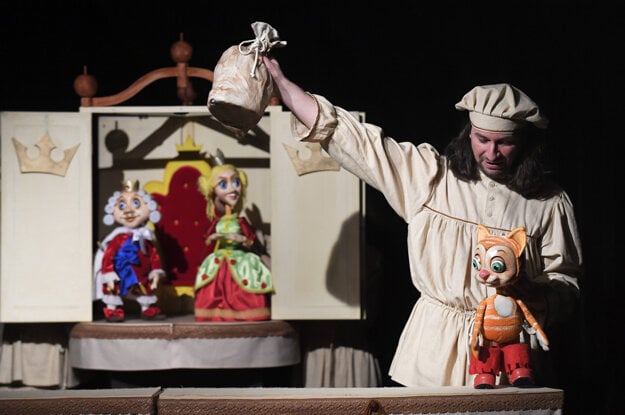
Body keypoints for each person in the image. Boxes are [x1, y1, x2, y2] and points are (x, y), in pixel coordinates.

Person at [262, 55, 582, 387]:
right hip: (434, 353)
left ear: (524, 143)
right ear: (468, 134)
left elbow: (565, 282)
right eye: (481, 139)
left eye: (505, 142)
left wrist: (530, 297)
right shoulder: (431, 177)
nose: (491, 152)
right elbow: (360, 142)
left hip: (509, 355)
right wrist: (285, 88)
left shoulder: (547, 202)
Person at [194, 151, 274, 321]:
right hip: (220, 260)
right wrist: (214, 238)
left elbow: (251, 241)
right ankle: (216, 313)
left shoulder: (242, 222)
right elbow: (207, 241)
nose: (232, 188)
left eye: (236, 182)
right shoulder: (216, 222)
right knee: (214, 282)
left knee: (244, 281)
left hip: (241, 259)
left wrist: (240, 239)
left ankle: (246, 310)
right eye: (223, 184)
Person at [93, 180, 166, 322]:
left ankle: (147, 309)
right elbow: (108, 255)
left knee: (145, 289)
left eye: (136, 204)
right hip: (120, 272)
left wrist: (155, 271)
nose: (128, 211)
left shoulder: (145, 235)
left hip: (140, 273)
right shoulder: (117, 237)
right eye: (121, 205)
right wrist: (108, 273)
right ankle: (112, 310)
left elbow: (153, 255)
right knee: (114, 289)